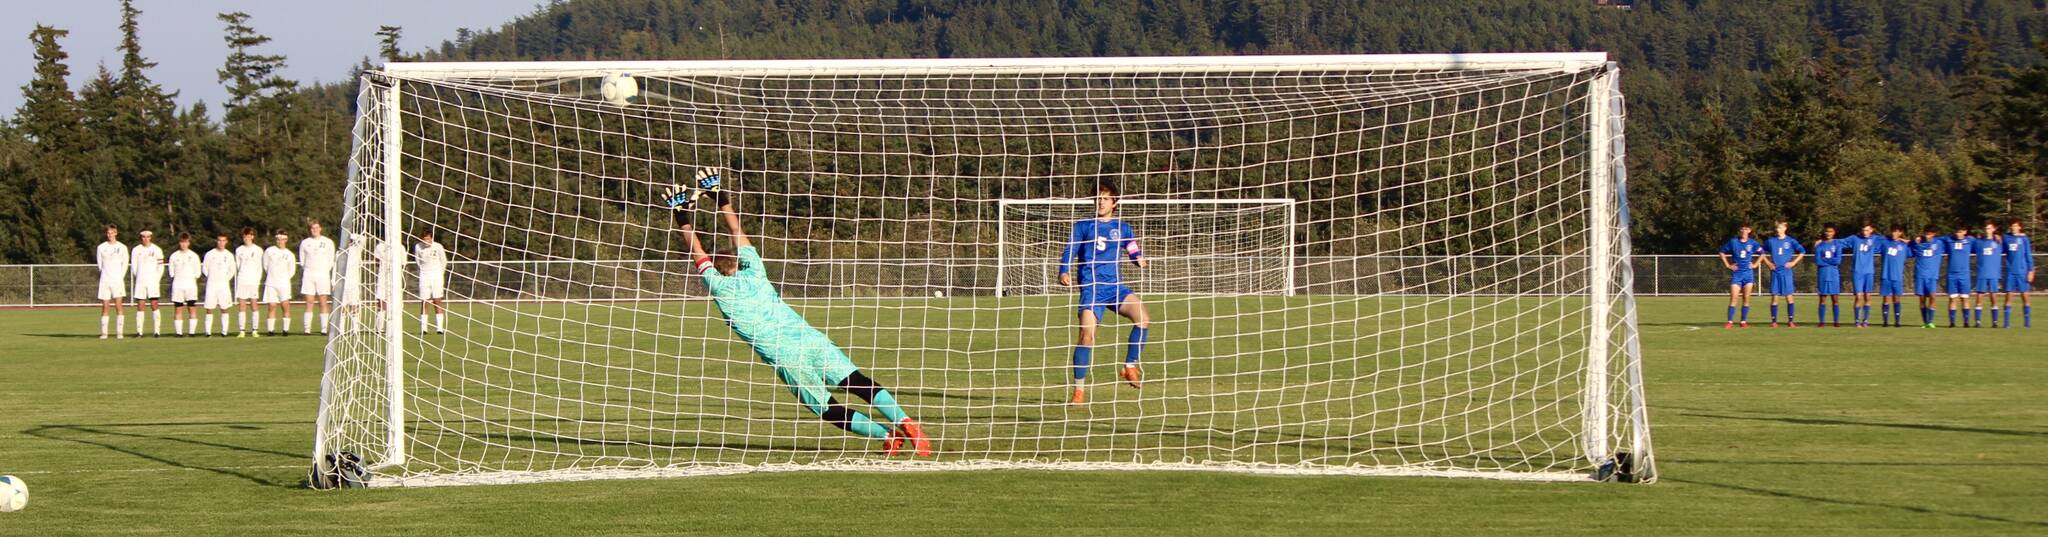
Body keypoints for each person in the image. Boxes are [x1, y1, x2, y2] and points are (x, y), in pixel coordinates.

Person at [657, 168, 930, 456]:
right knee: (857, 382)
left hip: (787, 356)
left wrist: (680, 215)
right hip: (810, 339)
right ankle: (905, 421)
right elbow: (736, 232)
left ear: (718, 269)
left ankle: (886, 436)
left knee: (828, 408)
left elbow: (696, 252)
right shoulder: (756, 273)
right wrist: (719, 197)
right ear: (739, 262)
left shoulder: (718, 286)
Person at [1059, 179, 1153, 402]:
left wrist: (1138, 258)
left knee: (1143, 318)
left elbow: (1132, 248)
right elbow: (1069, 250)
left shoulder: (1123, 227)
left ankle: (1129, 366)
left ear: (1114, 202)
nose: (1100, 202)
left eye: (1105, 198)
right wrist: (1063, 271)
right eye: (1098, 198)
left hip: (1115, 288)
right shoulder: (1083, 226)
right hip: (1092, 289)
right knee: (1087, 337)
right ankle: (1079, 390)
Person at [1761, 221, 1806, 327]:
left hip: (1786, 272)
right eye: (1777, 228)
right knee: (1775, 296)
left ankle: (1790, 321)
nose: (1778, 230)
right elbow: (1761, 251)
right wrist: (1768, 263)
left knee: (1789, 296)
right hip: (1775, 272)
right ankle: (1774, 321)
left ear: (1785, 228)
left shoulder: (1791, 241)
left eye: (1780, 227)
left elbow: (1802, 251)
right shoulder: (1771, 241)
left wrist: (1793, 262)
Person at [300, 220, 338, 335]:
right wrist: (308, 269)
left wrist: (325, 270)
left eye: (316, 227)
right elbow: (302, 260)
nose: (315, 230)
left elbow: (331, 259)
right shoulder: (305, 243)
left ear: (320, 228)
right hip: (309, 274)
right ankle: (307, 329)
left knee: (323, 302)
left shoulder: (328, 242)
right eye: (312, 228)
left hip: (322, 274)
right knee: (309, 301)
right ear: (310, 230)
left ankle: (324, 329)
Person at [1839, 224, 1881, 328]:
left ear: (1871, 230)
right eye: (1863, 230)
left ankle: (1865, 320)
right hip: (1857, 272)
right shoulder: (1854, 238)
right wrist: (1823, 241)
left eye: (1867, 230)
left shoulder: (1876, 239)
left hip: (1869, 272)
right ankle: (1857, 321)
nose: (1864, 232)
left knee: (1867, 296)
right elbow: (1840, 242)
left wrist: (1906, 241)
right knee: (1858, 296)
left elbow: (1891, 241)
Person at [130, 230, 167, 337]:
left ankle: (157, 331)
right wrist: (139, 277)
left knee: (154, 304)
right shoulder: (136, 250)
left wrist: (156, 279)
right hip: (141, 282)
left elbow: (160, 266)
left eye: (148, 237)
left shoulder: (156, 249)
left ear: (151, 237)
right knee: (140, 305)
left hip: (153, 282)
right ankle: (139, 331)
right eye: (143, 237)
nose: (145, 239)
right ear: (141, 238)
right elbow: (134, 266)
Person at [96, 225, 130, 339]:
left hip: (117, 280)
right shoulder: (101, 247)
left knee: (118, 305)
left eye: (112, 233)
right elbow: (100, 265)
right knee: (105, 306)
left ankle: (119, 332)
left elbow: (125, 264)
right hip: (105, 280)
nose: (110, 235)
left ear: (116, 233)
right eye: (108, 233)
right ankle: (104, 333)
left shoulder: (122, 247)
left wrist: (120, 276)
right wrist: (106, 274)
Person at [202, 232, 239, 337]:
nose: (221, 243)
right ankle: (208, 332)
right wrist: (211, 277)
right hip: (211, 285)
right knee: (209, 308)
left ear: (226, 242)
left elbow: (232, 270)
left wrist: (225, 279)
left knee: (224, 307)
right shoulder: (210, 254)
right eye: (219, 240)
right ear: (216, 241)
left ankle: (224, 331)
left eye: (223, 240)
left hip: (223, 285)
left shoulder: (229, 255)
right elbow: (205, 268)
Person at [263, 231, 298, 336]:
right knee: (271, 306)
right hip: (271, 283)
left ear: (286, 240)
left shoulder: (289, 254)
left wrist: (284, 279)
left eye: (282, 239)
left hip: (284, 284)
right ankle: (270, 330)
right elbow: (266, 266)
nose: (280, 241)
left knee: (285, 305)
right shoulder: (269, 251)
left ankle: (285, 330)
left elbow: (292, 271)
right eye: (278, 239)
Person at [414, 230, 449, 334]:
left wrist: (440, 273)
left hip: (437, 275)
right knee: (425, 301)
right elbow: (418, 261)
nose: (426, 242)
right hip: (424, 275)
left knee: (437, 300)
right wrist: (424, 271)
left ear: (431, 238)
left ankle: (439, 328)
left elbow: (443, 261)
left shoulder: (438, 246)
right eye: (424, 239)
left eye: (428, 239)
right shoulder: (418, 247)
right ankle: (424, 328)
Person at [167, 233, 202, 337]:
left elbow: (197, 272)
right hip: (178, 285)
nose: (183, 244)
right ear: (179, 243)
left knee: (192, 308)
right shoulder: (174, 256)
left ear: (189, 243)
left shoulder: (194, 256)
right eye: (182, 242)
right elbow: (171, 272)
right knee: (178, 308)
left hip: (190, 285)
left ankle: (192, 332)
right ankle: (179, 333)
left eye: (185, 242)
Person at [233, 227, 266, 337]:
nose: (247, 238)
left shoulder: (258, 250)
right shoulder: (239, 250)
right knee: (242, 305)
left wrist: (257, 281)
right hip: (242, 280)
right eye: (245, 236)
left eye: (249, 236)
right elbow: (238, 266)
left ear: (252, 236)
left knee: (254, 305)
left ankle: (254, 330)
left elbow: (259, 267)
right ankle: (242, 330)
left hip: (253, 281)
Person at [1971, 222, 2004, 327]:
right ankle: (1978, 322)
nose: (1987, 230)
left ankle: (1995, 322)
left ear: (1994, 229)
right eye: (1986, 228)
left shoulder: (1999, 241)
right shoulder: (1979, 242)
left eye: (1989, 228)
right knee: (1979, 297)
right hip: (1982, 274)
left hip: (1994, 274)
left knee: (1993, 297)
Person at [1910, 228, 1945, 328]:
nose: (1927, 236)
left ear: (1934, 234)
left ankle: (1930, 321)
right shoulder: (1918, 244)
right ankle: (1925, 322)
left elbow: (1950, 239)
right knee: (1922, 299)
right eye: (1926, 234)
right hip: (1920, 275)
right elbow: (1908, 244)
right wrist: (1914, 240)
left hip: (1932, 276)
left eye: (1930, 234)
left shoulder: (1939, 243)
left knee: (1933, 297)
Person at [1939, 225, 1973, 327]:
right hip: (1952, 274)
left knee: (1965, 298)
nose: (1958, 234)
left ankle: (1966, 322)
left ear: (1965, 231)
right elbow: (1935, 238)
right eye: (1957, 232)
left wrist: (1995, 236)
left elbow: (1983, 241)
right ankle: (1952, 322)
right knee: (1953, 298)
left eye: (1961, 231)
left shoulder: (1970, 241)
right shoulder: (1949, 240)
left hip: (1965, 275)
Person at [2001, 220, 2033, 328]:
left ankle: (2027, 323)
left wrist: (2031, 270)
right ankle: (2007, 323)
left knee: (2025, 296)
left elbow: (2028, 255)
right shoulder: (2006, 238)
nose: (2013, 227)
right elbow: (2001, 249)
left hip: (2022, 272)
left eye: (2015, 226)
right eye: (2012, 225)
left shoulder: (2024, 239)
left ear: (2020, 227)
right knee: (2009, 296)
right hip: (2011, 272)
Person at [1811, 226, 1845, 327]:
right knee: (1822, 298)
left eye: (1830, 231)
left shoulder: (1837, 244)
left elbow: (1838, 260)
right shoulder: (1820, 245)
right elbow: (1818, 261)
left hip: (1834, 274)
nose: (1828, 233)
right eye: (1826, 231)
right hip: (1823, 274)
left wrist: (1825, 259)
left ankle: (1836, 321)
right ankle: (1822, 322)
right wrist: (1830, 261)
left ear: (1834, 232)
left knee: (1835, 298)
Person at [1877, 227, 1910, 327]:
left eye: (1896, 231)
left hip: (1897, 276)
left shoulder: (1903, 246)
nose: (1894, 233)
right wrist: (1887, 237)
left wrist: (1903, 240)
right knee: (1886, 299)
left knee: (1897, 299)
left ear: (1900, 232)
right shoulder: (1885, 243)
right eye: (1893, 231)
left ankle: (1897, 321)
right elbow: (1876, 239)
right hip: (1886, 275)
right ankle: (1885, 322)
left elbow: (1914, 245)